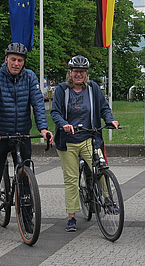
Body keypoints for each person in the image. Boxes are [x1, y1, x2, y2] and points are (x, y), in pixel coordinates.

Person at [0, 42, 52, 238]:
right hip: (1, 135)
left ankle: (28, 219)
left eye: (20, 60)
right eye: (13, 59)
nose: (16, 63)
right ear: (6, 60)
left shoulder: (29, 77)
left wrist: (43, 129)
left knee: (25, 180)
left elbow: (38, 103)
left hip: (22, 133)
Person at [50, 55, 119, 232]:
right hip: (68, 142)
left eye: (82, 71)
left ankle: (108, 199)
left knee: (101, 168)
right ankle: (72, 216)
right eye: (76, 71)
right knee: (71, 179)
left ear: (86, 73)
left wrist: (110, 120)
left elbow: (104, 107)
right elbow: (55, 112)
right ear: (70, 73)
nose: (79, 74)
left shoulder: (93, 88)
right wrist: (63, 124)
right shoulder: (61, 90)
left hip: (89, 138)